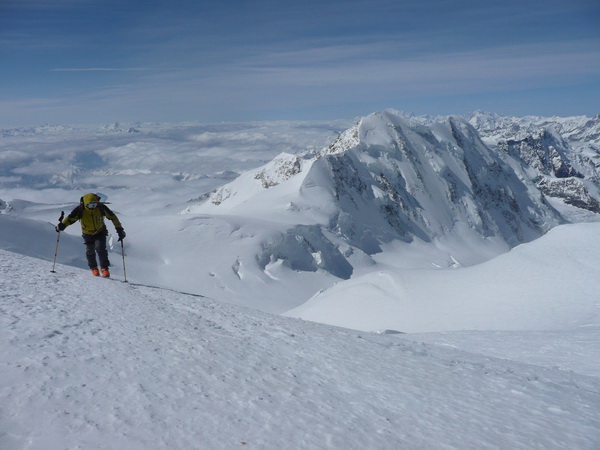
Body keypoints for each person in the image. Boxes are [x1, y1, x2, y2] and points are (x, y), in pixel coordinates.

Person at [56, 193, 126, 277]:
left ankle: (104, 268)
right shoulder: (80, 209)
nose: (93, 206)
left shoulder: (101, 208)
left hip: (100, 231)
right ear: (86, 204)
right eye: (90, 204)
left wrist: (119, 229)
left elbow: (113, 217)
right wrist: (62, 225)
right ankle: (94, 268)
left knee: (101, 248)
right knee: (90, 250)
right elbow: (70, 218)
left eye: (94, 204)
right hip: (87, 233)